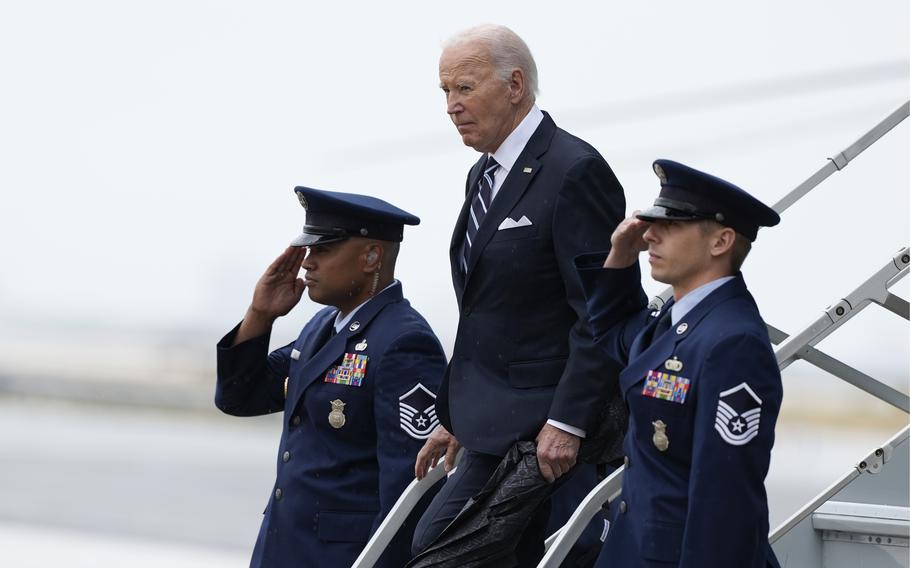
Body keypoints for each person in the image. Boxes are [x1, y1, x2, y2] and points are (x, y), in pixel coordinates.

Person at [412, 24, 628, 565]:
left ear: (514, 85)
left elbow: (600, 312)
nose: (451, 106)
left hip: (549, 433)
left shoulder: (574, 171)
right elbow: (491, 313)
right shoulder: (484, 175)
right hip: (494, 423)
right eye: (445, 92)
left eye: (463, 88)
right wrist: (458, 417)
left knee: (443, 548)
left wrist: (568, 422)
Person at [215, 187, 447, 568]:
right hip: (284, 548)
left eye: (323, 250)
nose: (307, 264)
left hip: (342, 556)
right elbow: (240, 397)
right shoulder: (323, 327)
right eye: (308, 251)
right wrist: (260, 314)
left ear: (371, 255)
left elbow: (411, 490)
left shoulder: (404, 341)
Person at [575, 159, 783, 568]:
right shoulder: (677, 320)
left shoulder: (733, 341)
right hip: (635, 549)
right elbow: (614, 338)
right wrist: (619, 257)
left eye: (669, 226)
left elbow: (726, 499)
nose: (649, 234)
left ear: (720, 242)